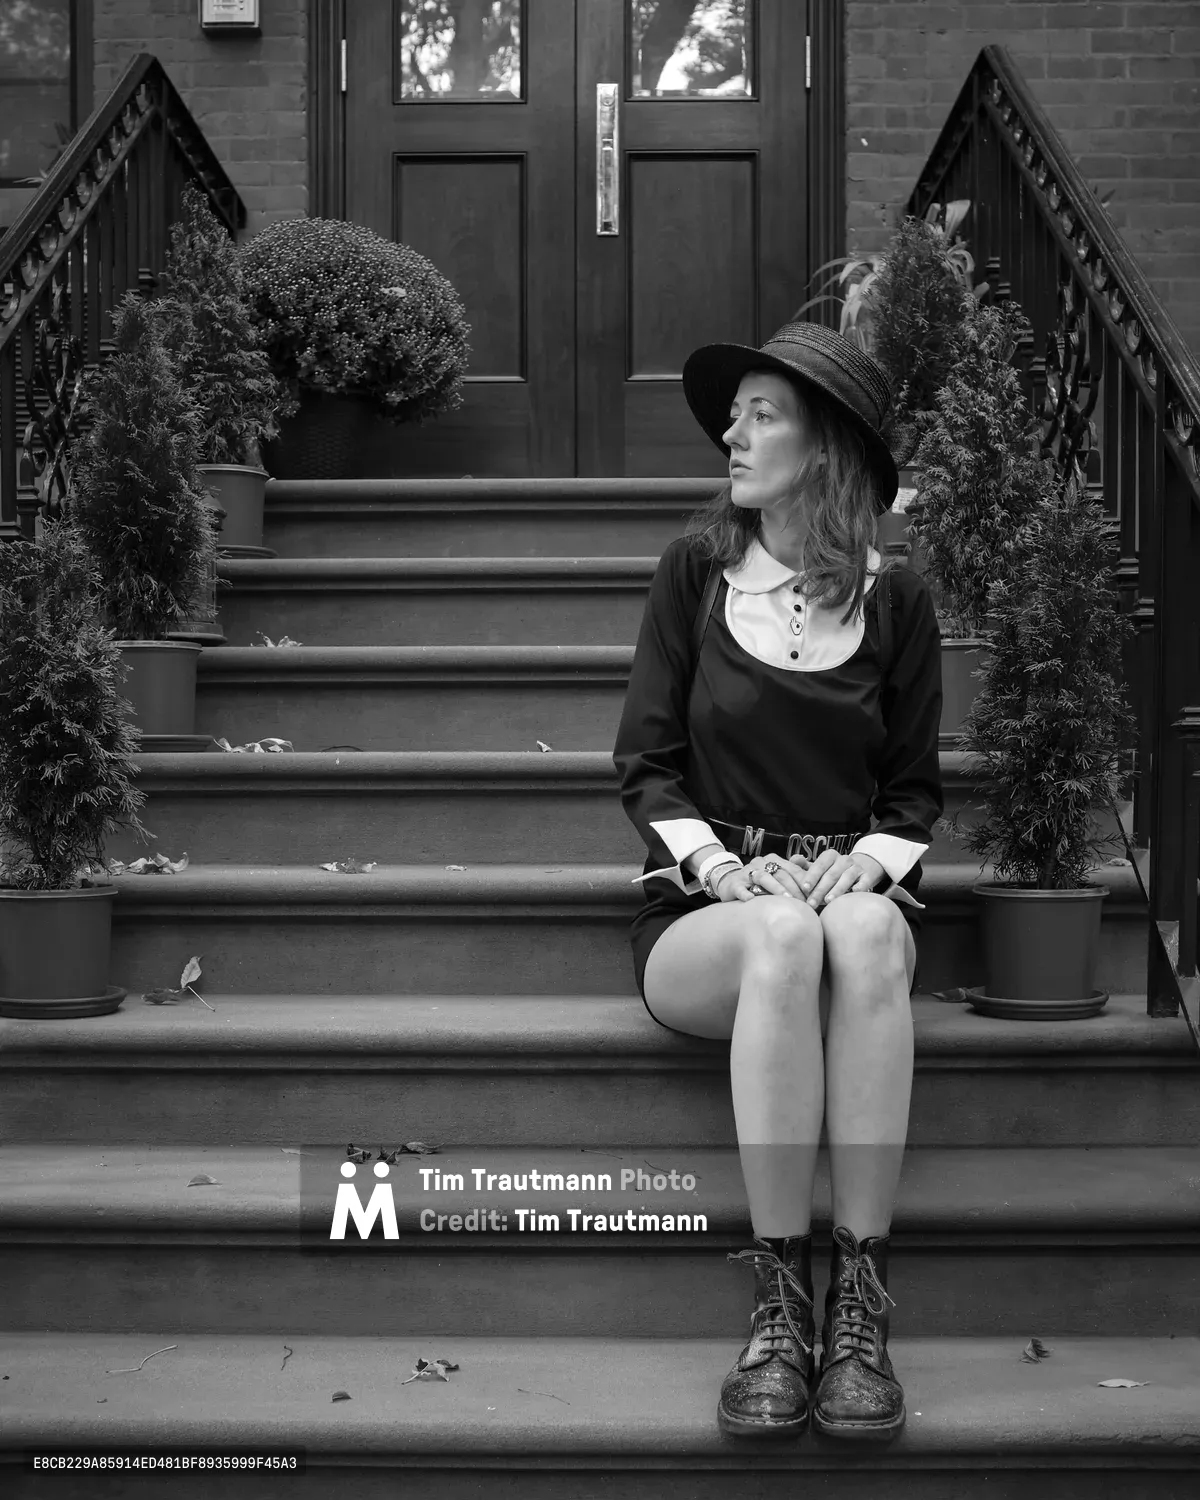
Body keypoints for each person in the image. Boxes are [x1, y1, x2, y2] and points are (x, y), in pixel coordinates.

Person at [612, 321, 943, 1443]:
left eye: (762, 413)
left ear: (826, 444)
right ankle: (777, 1299)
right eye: (734, 412)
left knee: (846, 932)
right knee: (785, 939)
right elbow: (646, 771)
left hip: (848, 907)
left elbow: (913, 799)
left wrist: (869, 862)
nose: (730, 432)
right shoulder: (694, 574)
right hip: (709, 916)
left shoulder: (896, 600)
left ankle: (860, 1307)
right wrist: (720, 869)